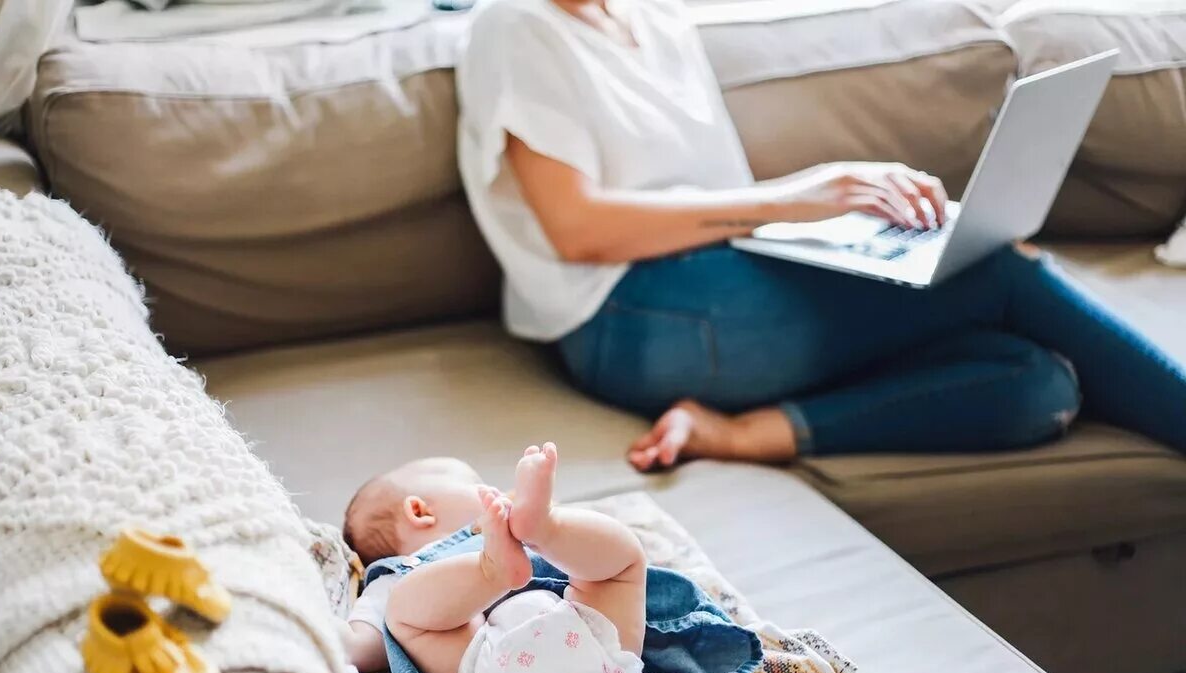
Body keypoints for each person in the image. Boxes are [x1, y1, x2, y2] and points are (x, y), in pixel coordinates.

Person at [455, 0, 1186, 469]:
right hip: (625, 316)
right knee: (1000, 270)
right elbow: (576, 229)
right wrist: (797, 200)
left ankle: (747, 433)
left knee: (1039, 385)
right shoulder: (514, 26)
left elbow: (709, 195)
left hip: (721, 283)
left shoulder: (653, 19)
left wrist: (833, 230)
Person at [338, 444, 761, 673]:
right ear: (419, 510)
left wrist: (542, 537)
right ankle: (514, 553)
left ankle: (543, 530)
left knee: (409, 616)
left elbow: (358, 644)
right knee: (622, 563)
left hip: (513, 668)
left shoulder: (477, 546)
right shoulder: (398, 573)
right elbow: (360, 645)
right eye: (475, 481)